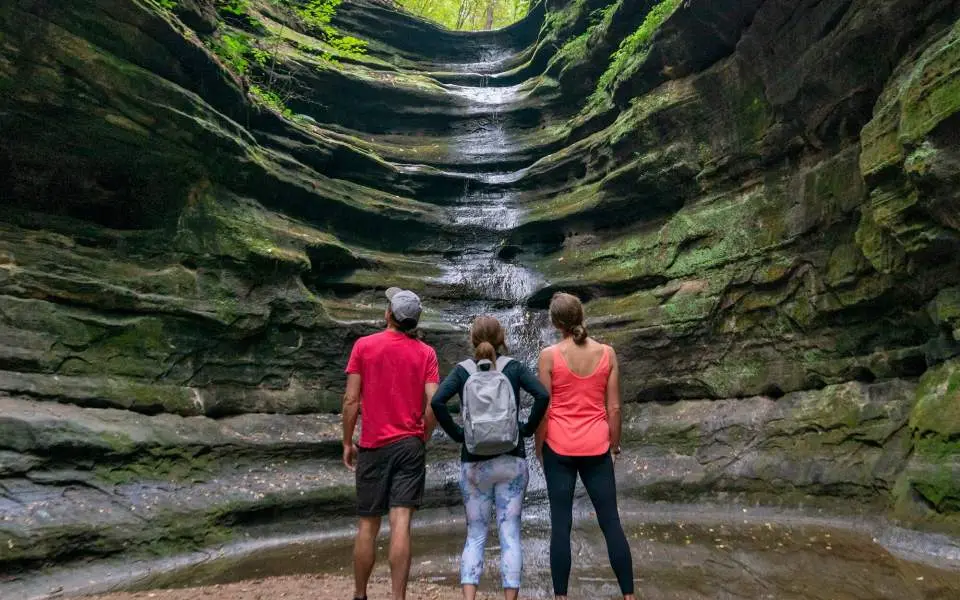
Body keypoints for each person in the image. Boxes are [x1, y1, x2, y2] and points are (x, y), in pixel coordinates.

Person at [431, 316, 550, 600]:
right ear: (501, 338)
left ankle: (469, 597)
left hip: (474, 463)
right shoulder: (514, 368)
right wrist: (527, 429)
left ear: (473, 339)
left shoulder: (462, 372)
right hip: (512, 460)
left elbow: (436, 402)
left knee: (475, 534)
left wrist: (459, 435)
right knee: (510, 534)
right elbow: (542, 395)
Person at [535, 293, 635, 600]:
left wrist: (540, 448)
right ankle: (629, 596)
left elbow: (544, 409)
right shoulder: (607, 353)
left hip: (559, 447)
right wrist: (613, 446)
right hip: (597, 446)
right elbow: (614, 408)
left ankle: (561, 597)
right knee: (610, 521)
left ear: (555, 323)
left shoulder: (549, 356)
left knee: (560, 525)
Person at [342, 287, 439, 600]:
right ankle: (398, 597)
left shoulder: (364, 346)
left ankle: (360, 594)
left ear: (389, 315)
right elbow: (434, 401)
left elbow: (351, 399)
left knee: (368, 523)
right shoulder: (426, 353)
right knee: (401, 522)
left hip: (372, 444)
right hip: (409, 445)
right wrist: (423, 433)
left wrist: (347, 441)